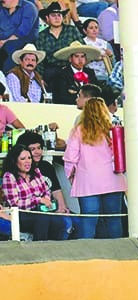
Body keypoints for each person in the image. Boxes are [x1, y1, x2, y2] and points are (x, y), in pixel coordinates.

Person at [63, 97, 127, 239]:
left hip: (87, 182)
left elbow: (70, 158)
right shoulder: (113, 130)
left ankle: (87, 256)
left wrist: (71, 178)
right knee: (114, 219)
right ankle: (118, 254)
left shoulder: (78, 131)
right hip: (113, 180)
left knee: (89, 220)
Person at [1, 145, 68, 241]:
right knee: (42, 220)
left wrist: (46, 199)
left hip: (42, 210)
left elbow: (46, 190)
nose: (28, 161)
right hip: (22, 213)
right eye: (23, 159)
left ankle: (54, 251)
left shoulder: (36, 171)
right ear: (15, 161)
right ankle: (39, 250)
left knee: (60, 221)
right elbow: (14, 203)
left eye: (29, 158)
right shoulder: (9, 176)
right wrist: (38, 200)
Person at [36, 2, 82, 83]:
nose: (57, 18)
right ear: (47, 18)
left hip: (71, 68)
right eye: (53, 15)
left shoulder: (72, 30)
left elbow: (82, 49)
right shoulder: (42, 36)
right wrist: (40, 77)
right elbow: (40, 59)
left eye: (59, 15)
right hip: (51, 70)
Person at [0, 0, 39, 72]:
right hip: (3, 40)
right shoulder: (2, 7)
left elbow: (22, 32)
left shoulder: (29, 8)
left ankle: (8, 76)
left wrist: (3, 42)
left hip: (23, 40)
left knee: (9, 46)